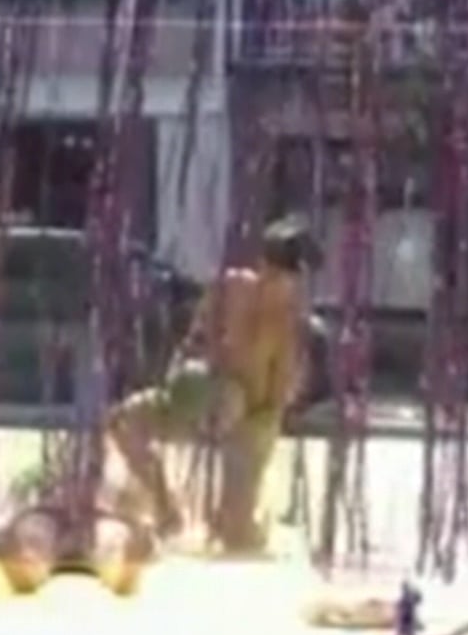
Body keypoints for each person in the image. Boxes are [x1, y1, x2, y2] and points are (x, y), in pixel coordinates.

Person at [107, 216, 320, 553]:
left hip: (251, 421)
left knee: (235, 539)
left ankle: (251, 519)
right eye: (276, 275)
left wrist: (245, 430)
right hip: (201, 395)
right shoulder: (228, 288)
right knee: (123, 423)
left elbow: (279, 399)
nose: (282, 286)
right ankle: (165, 506)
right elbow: (191, 342)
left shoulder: (290, 327)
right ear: (263, 265)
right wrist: (190, 373)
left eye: (290, 281)